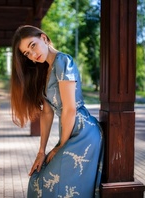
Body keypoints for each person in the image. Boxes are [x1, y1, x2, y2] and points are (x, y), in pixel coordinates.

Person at [10, 25, 104, 198]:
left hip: (83, 132)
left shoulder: (63, 61)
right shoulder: (46, 71)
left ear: (44, 38)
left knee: (49, 185)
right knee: (39, 178)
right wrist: (41, 151)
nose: (32, 55)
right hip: (70, 133)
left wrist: (61, 146)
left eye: (33, 46)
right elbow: (47, 113)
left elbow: (69, 109)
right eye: (27, 54)